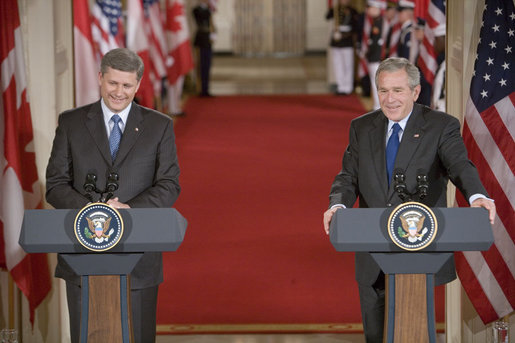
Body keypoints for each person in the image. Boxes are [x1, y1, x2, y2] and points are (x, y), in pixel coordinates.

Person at [322, 57, 495, 342]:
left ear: (415, 92)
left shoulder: (441, 126)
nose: (390, 99)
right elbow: (348, 176)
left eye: (398, 91)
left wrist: (477, 196)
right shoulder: (361, 127)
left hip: (419, 251)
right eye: (383, 91)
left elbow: (459, 166)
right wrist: (337, 204)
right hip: (372, 248)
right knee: (376, 334)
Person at [46, 48, 181, 343]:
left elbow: (169, 184)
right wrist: (93, 213)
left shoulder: (160, 126)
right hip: (82, 257)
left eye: (127, 85)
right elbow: (55, 184)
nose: (119, 92)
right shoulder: (71, 123)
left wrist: (129, 208)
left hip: (140, 261)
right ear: (100, 78)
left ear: (138, 84)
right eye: (113, 83)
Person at [325, 0, 359, 95]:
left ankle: (347, 87)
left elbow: (356, 27)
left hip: (347, 40)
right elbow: (327, 17)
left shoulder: (353, 11)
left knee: (347, 65)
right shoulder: (335, 10)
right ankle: (340, 86)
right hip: (336, 40)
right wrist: (332, 8)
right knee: (337, 64)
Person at [193, 0, 215, 97]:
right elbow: (200, 18)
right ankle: (200, 88)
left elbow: (211, 25)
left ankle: (206, 88)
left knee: (207, 64)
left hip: (207, 39)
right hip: (200, 39)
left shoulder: (208, 10)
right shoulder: (196, 10)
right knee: (200, 65)